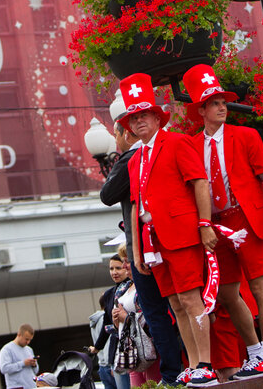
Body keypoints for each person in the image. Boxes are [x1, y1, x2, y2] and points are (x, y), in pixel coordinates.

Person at [183, 64, 263, 380]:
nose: (222, 107)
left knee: (260, 285)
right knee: (227, 292)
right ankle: (255, 353)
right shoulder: (191, 144)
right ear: (201, 110)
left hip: (247, 217)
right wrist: (202, 224)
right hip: (215, 224)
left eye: (223, 102)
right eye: (214, 103)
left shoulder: (247, 135)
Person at [118, 73, 219, 387]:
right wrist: (136, 253)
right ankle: (192, 363)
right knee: (175, 305)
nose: (139, 122)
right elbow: (135, 206)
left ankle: (206, 363)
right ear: (129, 125)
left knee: (191, 300)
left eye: (145, 115)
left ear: (157, 116)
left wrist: (204, 225)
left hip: (182, 234)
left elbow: (200, 182)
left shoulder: (177, 142)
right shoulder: (135, 160)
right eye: (134, 118)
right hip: (153, 243)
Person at [100, 120, 183, 386]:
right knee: (181, 307)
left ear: (126, 133)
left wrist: (123, 160)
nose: (115, 142)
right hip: (172, 240)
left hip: (146, 249)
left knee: (160, 312)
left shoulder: (133, 157)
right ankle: (194, 365)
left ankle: (173, 374)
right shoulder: (159, 150)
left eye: (115, 135)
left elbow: (107, 194)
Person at [113, 245, 161, 386]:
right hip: (131, 352)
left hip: (149, 350)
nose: (124, 266)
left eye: (127, 261)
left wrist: (126, 319)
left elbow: (153, 316)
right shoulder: (125, 287)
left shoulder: (148, 285)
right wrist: (118, 321)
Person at [88, 254, 131, 389]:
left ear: (126, 267)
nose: (114, 272)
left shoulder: (135, 288)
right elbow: (107, 327)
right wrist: (97, 347)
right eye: (111, 268)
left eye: (118, 268)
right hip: (117, 351)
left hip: (137, 347)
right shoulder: (109, 294)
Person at [0, 324, 39, 389]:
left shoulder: (29, 349)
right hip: (16, 387)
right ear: (19, 334)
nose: (28, 342)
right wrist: (23, 363)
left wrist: (34, 364)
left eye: (30, 340)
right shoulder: (7, 349)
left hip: (32, 386)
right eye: (26, 339)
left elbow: (35, 371)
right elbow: (4, 368)